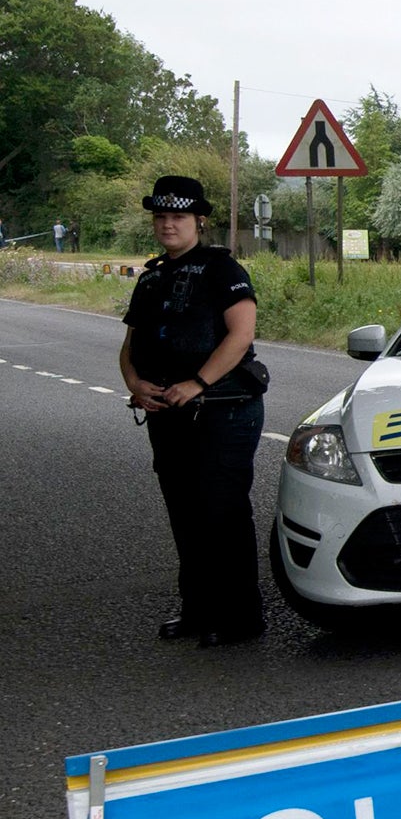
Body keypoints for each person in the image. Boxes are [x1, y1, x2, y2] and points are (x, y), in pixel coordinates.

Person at [119, 175, 268, 646]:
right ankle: (199, 611)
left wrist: (198, 381)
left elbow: (240, 335)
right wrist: (134, 383)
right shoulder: (151, 276)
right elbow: (130, 343)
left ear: (198, 221)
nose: (168, 225)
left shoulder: (223, 271)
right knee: (184, 513)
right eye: (161, 216)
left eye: (178, 217)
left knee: (220, 511)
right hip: (167, 411)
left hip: (223, 409)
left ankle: (242, 617)